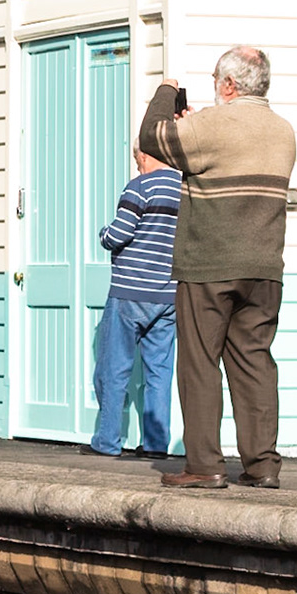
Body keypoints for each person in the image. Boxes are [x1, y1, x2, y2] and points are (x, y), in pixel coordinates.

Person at [138, 46, 297, 489]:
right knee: (254, 362)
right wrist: (195, 125)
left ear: (229, 85)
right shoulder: (283, 131)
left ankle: (204, 465)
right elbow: (219, 151)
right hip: (264, 267)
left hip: (209, 264)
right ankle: (263, 466)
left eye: (215, 79)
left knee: (200, 363)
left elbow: (151, 137)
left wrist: (166, 92)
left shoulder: (212, 124)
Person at [86, 150, 181, 458]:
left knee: (114, 368)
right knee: (159, 371)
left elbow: (120, 233)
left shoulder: (139, 187)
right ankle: (155, 445)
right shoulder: (185, 187)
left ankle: (108, 442)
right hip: (168, 294)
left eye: (135, 158)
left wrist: (103, 235)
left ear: (143, 155)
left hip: (130, 291)